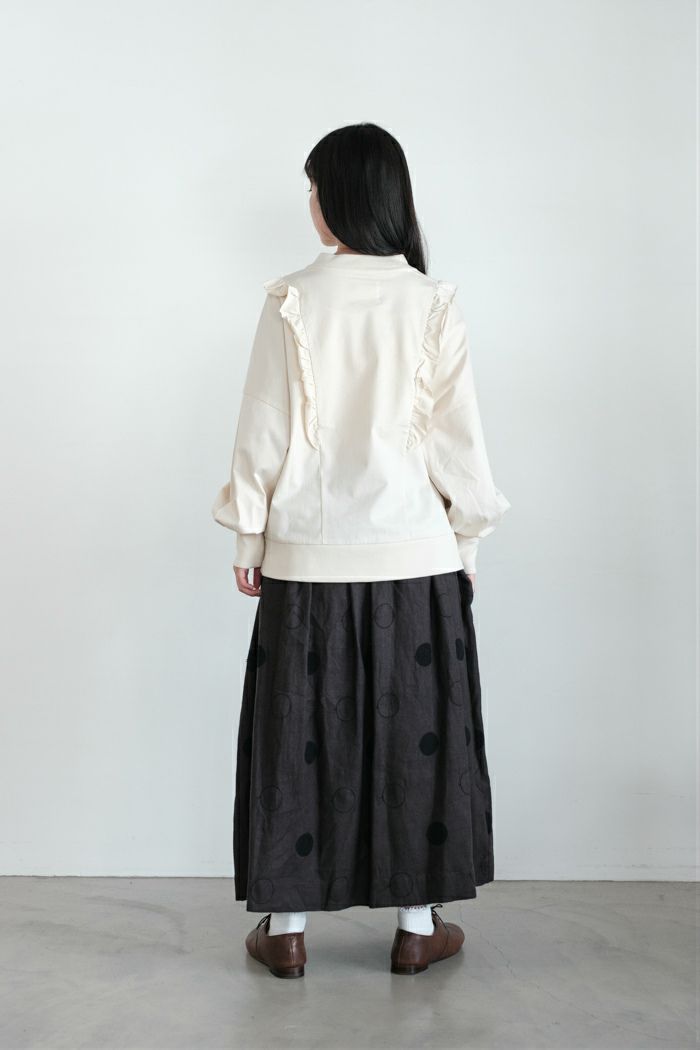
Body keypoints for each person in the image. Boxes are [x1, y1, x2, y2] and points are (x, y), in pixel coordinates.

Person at [211, 122, 511, 978]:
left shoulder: (292, 300)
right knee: (418, 735)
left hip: (308, 560)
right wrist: (467, 538)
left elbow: (263, 427)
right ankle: (418, 927)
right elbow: (459, 440)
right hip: (416, 557)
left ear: (341, 198)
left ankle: (287, 930)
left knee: (298, 734)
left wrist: (251, 532)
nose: (309, 205)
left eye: (313, 189)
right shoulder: (433, 300)